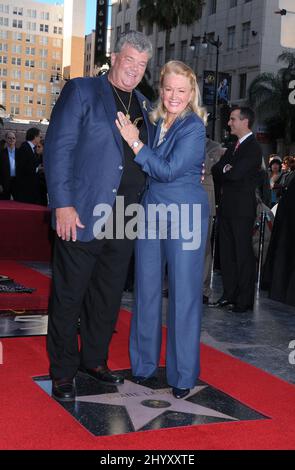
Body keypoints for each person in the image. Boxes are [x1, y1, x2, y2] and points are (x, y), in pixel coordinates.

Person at [44, 31, 154, 402]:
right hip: (81, 211)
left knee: (107, 296)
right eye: (129, 61)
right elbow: (59, 148)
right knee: (69, 294)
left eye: (142, 65)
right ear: (114, 57)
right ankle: (61, 371)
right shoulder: (82, 91)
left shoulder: (144, 103)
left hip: (126, 216)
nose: (135, 70)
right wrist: (62, 203)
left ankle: (94, 359)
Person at [116, 60, 209, 399]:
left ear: (191, 93)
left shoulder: (194, 127)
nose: (173, 96)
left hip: (186, 214)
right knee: (146, 290)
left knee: (184, 296)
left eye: (181, 91)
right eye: (168, 89)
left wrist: (135, 142)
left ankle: (183, 375)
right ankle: (142, 366)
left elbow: (168, 170)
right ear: (161, 89)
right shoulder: (157, 122)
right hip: (152, 210)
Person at [211, 106, 261, 313]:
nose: (229, 123)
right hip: (227, 208)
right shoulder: (234, 147)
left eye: (233, 119)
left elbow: (236, 174)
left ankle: (244, 300)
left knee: (242, 254)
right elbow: (217, 170)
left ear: (245, 122)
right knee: (227, 254)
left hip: (242, 211)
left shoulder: (253, 148)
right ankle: (229, 294)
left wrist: (226, 169)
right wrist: (225, 168)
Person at [202, 138, 226, 304]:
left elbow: (209, 168)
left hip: (205, 201)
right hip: (182, 200)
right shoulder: (178, 139)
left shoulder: (214, 147)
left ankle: (203, 289)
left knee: (204, 247)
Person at [15, 127, 42, 204]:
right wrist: (37, 169)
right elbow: (22, 167)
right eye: (40, 136)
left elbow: (32, 163)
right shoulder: (24, 147)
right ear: (35, 137)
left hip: (31, 188)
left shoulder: (33, 148)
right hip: (25, 188)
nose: (40, 138)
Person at [0, 131, 18, 200]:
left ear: (15, 140)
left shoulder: (20, 152)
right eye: (9, 138)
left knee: (18, 203)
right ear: (6, 139)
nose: (11, 140)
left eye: (13, 138)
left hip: (16, 182)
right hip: (5, 182)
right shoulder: (1, 153)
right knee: (4, 204)